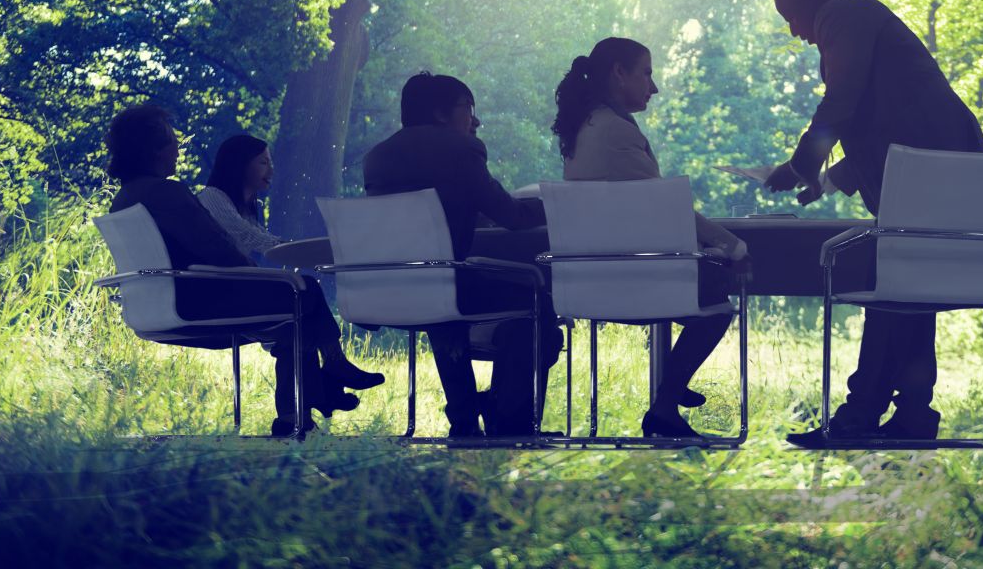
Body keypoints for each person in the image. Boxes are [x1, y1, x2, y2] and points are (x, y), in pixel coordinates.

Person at [762, 0, 983, 445]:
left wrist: (800, 164)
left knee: (893, 288)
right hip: (937, 170)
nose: (795, 33)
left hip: (927, 175)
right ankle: (910, 413)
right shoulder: (859, 18)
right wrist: (825, 180)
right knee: (910, 290)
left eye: (791, 18)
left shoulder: (840, 19)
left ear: (809, 5)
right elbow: (883, 117)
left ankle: (860, 415)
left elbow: (842, 103)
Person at [105, 104, 372, 436]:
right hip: (198, 303)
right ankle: (327, 376)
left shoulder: (124, 198)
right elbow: (216, 249)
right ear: (155, 150)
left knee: (293, 321)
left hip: (158, 307)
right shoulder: (166, 193)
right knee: (305, 290)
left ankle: (295, 418)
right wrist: (253, 272)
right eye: (173, 141)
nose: (178, 148)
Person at [554, 37, 749, 441]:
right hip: (632, 281)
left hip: (590, 280)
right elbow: (665, 207)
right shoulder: (615, 132)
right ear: (619, 73)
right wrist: (730, 244)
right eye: (646, 73)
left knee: (711, 287)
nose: (654, 87)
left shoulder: (584, 128)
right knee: (718, 299)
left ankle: (668, 399)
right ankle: (665, 402)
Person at [362, 72, 560, 438]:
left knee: (443, 298)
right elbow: (512, 216)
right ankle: (510, 418)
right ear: (441, 113)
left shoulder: (377, 157)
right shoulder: (460, 148)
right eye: (468, 109)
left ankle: (466, 415)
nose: (475, 120)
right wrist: (558, 205)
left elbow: (433, 206)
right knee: (536, 301)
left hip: (389, 284)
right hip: (444, 282)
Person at [200, 132, 385, 394]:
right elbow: (246, 234)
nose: (271, 169)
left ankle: (314, 400)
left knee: (300, 319)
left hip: (238, 289)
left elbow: (255, 239)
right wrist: (287, 247)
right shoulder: (213, 197)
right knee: (305, 287)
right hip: (218, 294)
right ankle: (334, 366)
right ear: (239, 164)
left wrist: (287, 248)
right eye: (263, 162)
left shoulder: (250, 206)